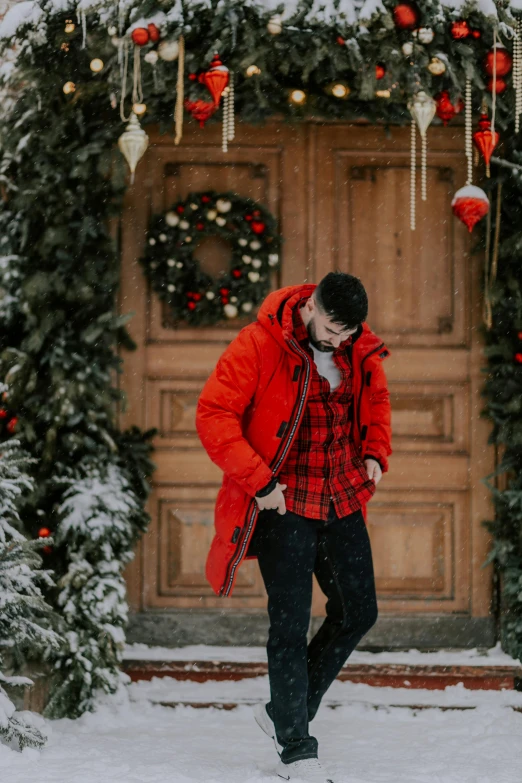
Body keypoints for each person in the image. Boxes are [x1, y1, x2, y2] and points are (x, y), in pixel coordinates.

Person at [196, 272, 392, 783]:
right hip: (284, 504)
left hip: (342, 496)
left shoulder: (356, 346)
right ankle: (297, 748)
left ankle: (287, 709)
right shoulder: (258, 344)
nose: (338, 341)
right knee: (288, 626)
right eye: (331, 329)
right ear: (311, 307)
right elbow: (213, 414)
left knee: (358, 610)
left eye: (347, 334)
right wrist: (261, 483)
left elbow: (376, 401)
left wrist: (375, 451)